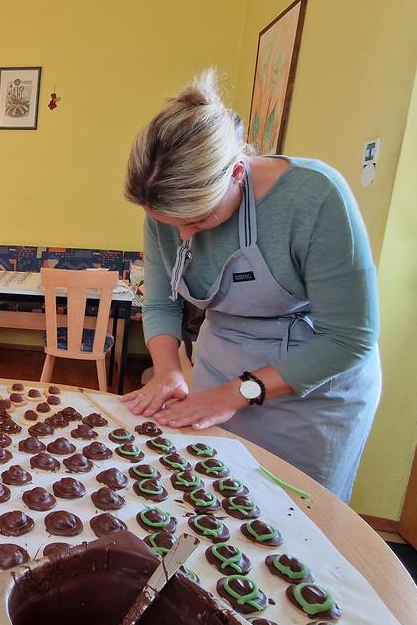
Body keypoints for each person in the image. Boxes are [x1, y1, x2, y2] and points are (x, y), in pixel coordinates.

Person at [120, 70, 381, 501]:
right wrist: (168, 369)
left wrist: (238, 393)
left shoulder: (315, 198)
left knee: (295, 522)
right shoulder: (166, 205)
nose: (185, 237)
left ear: (237, 172)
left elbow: (351, 339)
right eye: (171, 224)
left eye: (198, 221)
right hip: (218, 373)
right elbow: (162, 302)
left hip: (311, 396)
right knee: (208, 505)